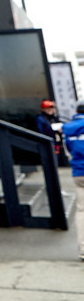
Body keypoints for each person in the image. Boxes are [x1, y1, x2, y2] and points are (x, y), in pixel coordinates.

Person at [64, 103, 84, 261]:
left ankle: (83, 249)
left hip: (78, 172)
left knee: (81, 211)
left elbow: (69, 150)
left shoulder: (67, 128)